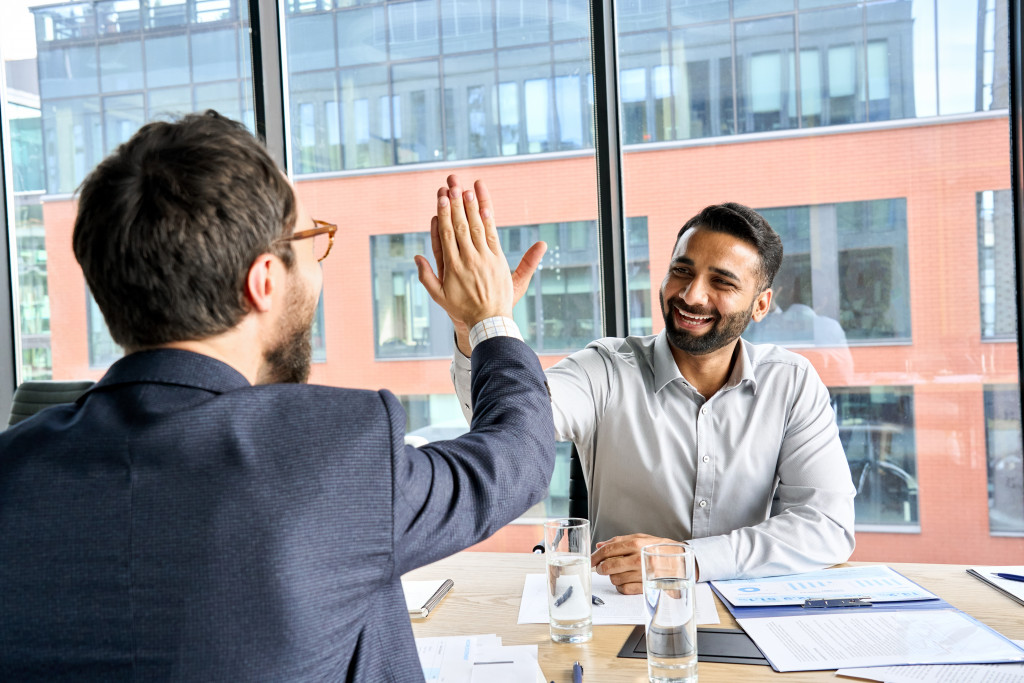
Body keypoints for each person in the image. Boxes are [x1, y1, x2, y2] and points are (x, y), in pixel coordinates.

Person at [0, 111, 555, 681]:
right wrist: (489, 319)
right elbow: (519, 457)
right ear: (263, 280)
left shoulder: (10, 470)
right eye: (310, 239)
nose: (316, 265)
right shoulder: (337, 455)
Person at [451, 202, 856, 589]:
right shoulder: (606, 368)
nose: (692, 295)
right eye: (682, 271)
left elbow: (827, 525)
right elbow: (508, 423)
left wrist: (689, 561)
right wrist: (479, 327)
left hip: (739, 618)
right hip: (616, 615)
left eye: (722, 282)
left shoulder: (791, 383)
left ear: (760, 305)